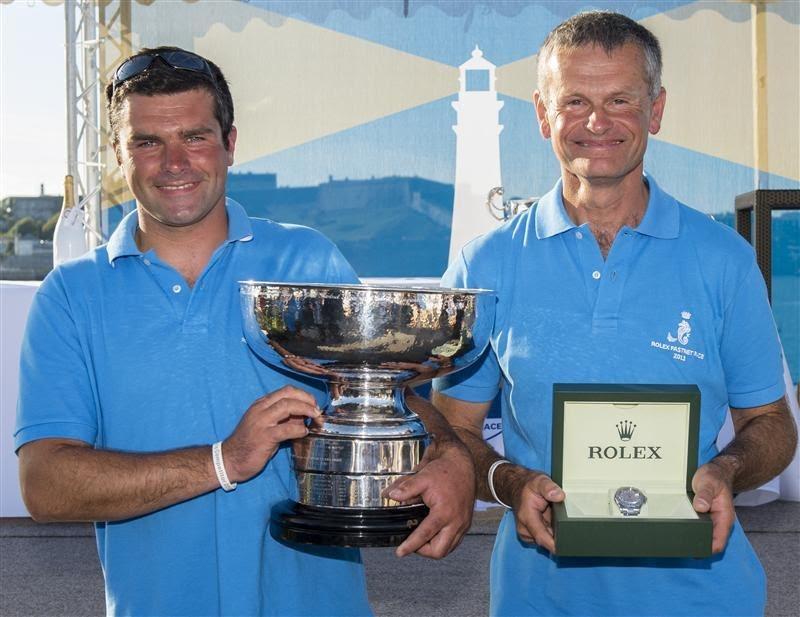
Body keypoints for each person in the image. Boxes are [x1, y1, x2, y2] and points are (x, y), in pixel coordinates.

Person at [15, 46, 475, 616]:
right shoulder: (71, 295)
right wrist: (223, 460)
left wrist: (450, 455)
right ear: (117, 153)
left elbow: (383, 392)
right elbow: (46, 484)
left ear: (230, 143)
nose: (174, 162)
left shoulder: (308, 259)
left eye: (195, 137)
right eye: (147, 142)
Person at [432, 11, 797, 617]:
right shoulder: (484, 266)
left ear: (655, 110)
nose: (596, 122)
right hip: (537, 597)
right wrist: (511, 483)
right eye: (574, 101)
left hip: (706, 597)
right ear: (543, 114)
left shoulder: (724, 259)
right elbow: (456, 429)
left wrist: (727, 470)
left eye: (620, 99)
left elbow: (771, 423)